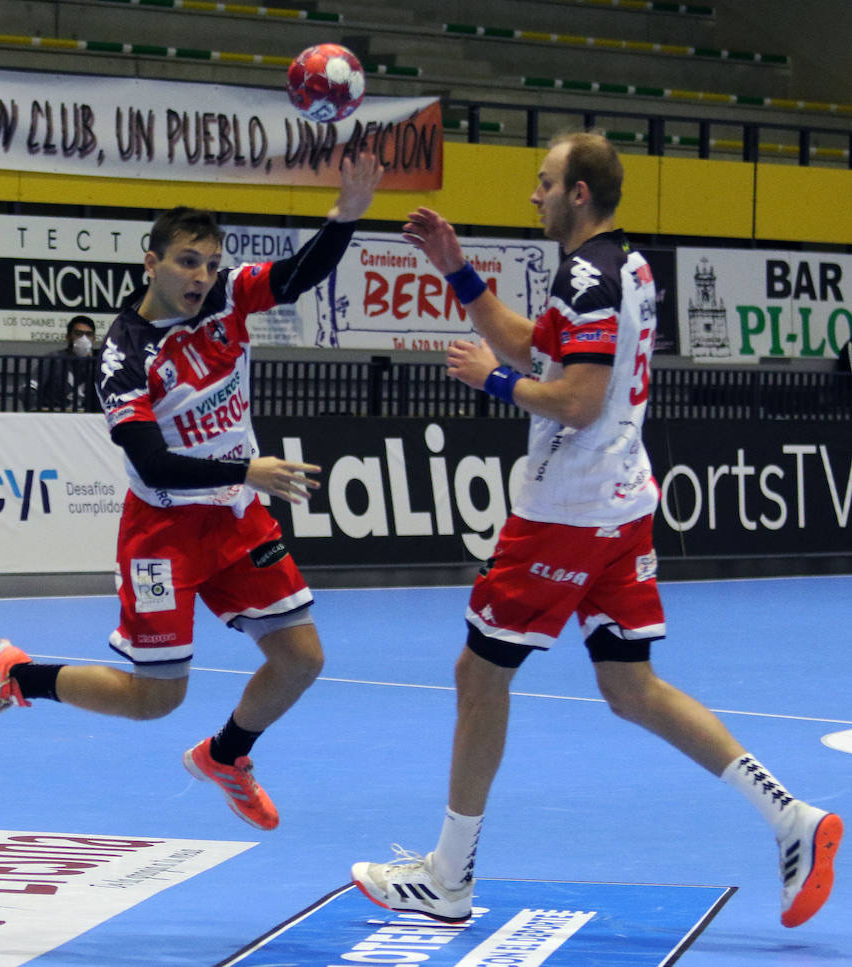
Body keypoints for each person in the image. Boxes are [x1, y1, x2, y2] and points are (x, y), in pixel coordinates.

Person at [349, 131, 841, 929]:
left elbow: (571, 398)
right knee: (628, 685)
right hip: (621, 501)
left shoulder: (586, 274)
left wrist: (493, 381)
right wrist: (455, 267)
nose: (532, 195)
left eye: (543, 182)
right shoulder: (629, 266)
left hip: (567, 510)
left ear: (579, 192)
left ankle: (448, 877)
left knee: (479, 678)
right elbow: (537, 343)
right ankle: (792, 817)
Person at [0, 150, 385, 830]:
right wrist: (246, 470)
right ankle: (17, 677)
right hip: (163, 532)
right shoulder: (123, 354)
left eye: (211, 262)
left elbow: (297, 277)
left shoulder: (229, 298)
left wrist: (344, 217)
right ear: (150, 261)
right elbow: (152, 462)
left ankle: (227, 756)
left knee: (301, 658)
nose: (202, 276)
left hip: (237, 520)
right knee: (156, 698)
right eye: (187, 260)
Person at [25, 314, 101, 412]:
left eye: (88, 334)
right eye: (78, 334)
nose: (83, 339)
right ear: (68, 337)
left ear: (94, 339)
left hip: (87, 420)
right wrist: (38, 411)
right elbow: (30, 389)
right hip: (57, 417)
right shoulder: (54, 360)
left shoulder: (98, 363)